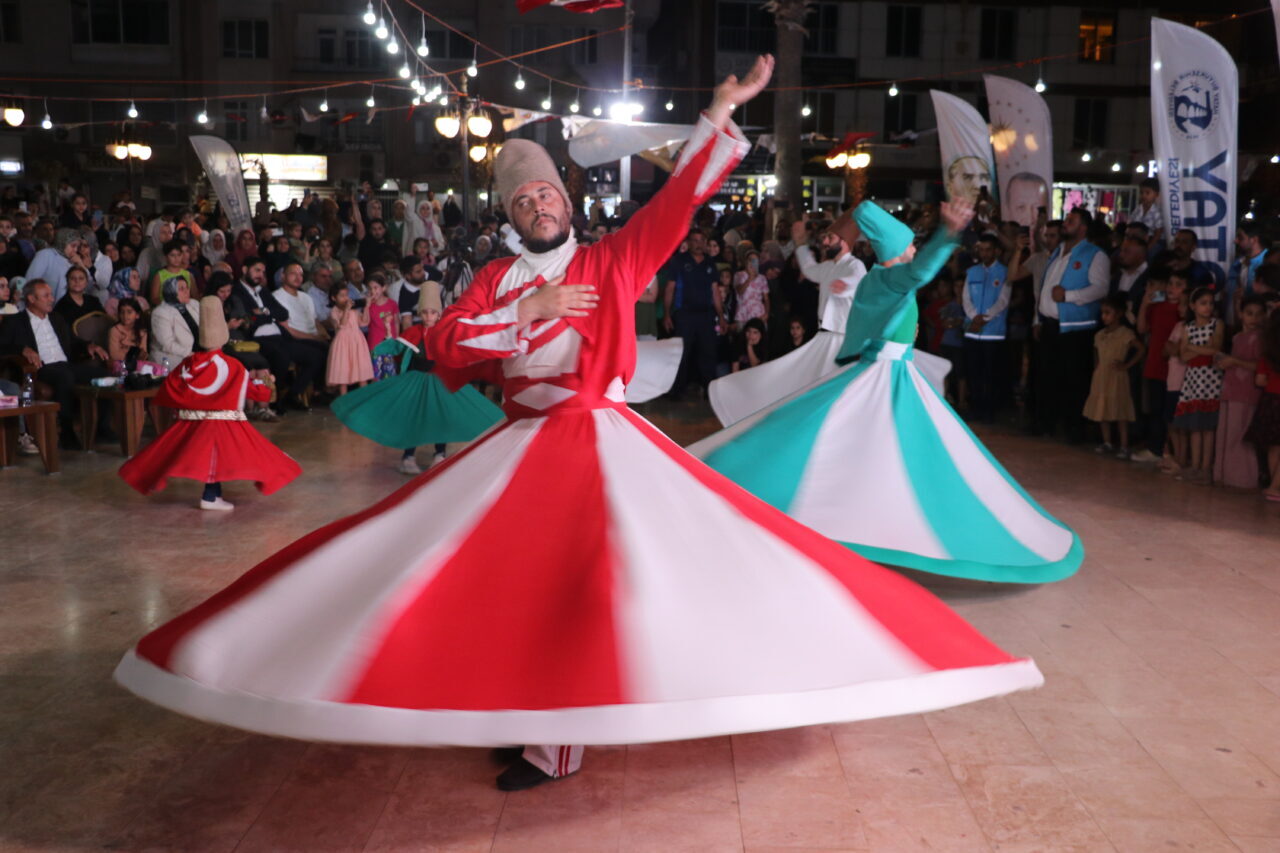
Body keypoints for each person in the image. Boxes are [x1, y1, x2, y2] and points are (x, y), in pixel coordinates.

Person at [113, 57, 1044, 797]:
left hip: (598, 437)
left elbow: (677, 206)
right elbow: (444, 346)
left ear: (566, 198)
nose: (538, 205)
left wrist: (717, 115)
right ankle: (513, 707)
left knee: (619, 580)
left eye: (547, 194)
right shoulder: (495, 279)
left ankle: (569, 735)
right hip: (520, 442)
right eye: (522, 202)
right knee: (467, 573)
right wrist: (527, 311)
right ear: (511, 215)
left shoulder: (614, 255)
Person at [691, 196, 1082, 584]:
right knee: (889, 451)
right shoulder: (892, 277)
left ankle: (861, 519)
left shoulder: (877, 279)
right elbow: (920, 273)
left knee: (874, 450)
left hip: (886, 374)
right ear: (896, 252)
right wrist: (948, 234)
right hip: (885, 378)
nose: (914, 248)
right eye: (910, 244)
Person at [118, 296, 300, 509]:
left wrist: (188, 409)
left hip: (193, 425)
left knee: (191, 457)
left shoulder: (188, 364)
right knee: (247, 457)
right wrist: (267, 385)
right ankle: (211, 496)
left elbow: (169, 389)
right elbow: (256, 392)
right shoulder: (233, 366)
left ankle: (212, 495)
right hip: (224, 425)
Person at [705, 212, 866, 427]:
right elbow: (809, 270)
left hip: (841, 339)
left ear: (844, 242)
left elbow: (857, 281)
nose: (825, 242)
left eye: (830, 238)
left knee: (831, 389)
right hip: (825, 337)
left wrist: (844, 286)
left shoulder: (854, 266)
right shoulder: (829, 266)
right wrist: (800, 244)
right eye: (825, 238)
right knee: (804, 382)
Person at [331, 282, 503, 475]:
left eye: (432, 312)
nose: (428, 317)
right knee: (414, 418)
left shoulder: (446, 333)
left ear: (439, 314)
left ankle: (440, 454)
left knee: (441, 417)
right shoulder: (414, 333)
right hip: (416, 381)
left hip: (441, 382)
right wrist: (383, 343)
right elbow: (396, 346)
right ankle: (408, 457)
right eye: (424, 312)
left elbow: (459, 350)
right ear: (420, 314)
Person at [0, 278, 111, 447]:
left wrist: (90, 346)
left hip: (65, 364)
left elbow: (73, 342)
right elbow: (2, 346)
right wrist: (22, 348)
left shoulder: (56, 318)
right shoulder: (15, 321)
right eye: (46, 296)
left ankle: (102, 429)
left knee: (103, 375)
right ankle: (66, 432)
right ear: (31, 299)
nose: (52, 299)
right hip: (41, 368)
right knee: (64, 376)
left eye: (51, 295)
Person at [1032, 207, 1110, 442]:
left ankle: (1073, 428)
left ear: (1083, 227)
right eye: (1067, 219)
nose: (1066, 223)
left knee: (1073, 379)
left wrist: (1068, 295)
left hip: (1076, 327)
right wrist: (1038, 318)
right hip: (1049, 323)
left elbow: (1100, 289)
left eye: (1071, 220)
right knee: (1046, 377)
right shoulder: (1056, 253)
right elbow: (1045, 287)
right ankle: (1045, 422)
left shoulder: (1095, 254)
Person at [1172, 286, 1224, 484]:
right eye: (1203, 303)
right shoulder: (1188, 328)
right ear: (1193, 306)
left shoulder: (1216, 324)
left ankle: (1205, 468)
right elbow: (1183, 355)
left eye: (1211, 303)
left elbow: (1215, 349)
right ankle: (1195, 466)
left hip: (1210, 378)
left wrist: (1193, 347)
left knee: (1207, 427)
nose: (1208, 307)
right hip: (1193, 379)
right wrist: (1203, 348)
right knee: (1195, 426)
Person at [1083, 295, 1145, 458]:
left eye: (1108, 313)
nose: (1104, 316)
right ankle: (1107, 442)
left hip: (1117, 377)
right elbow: (1096, 355)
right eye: (1102, 313)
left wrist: (1126, 365)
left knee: (1120, 411)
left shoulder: (1125, 333)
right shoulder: (1099, 335)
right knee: (1102, 409)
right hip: (1101, 377)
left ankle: (1124, 445)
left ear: (1118, 314)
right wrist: (1097, 369)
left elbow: (1140, 349)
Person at [1215, 296, 1264, 488]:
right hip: (1231, 390)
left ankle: (1243, 479)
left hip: (1247, 393)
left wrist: (1234, 361)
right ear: (1241, 314)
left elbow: (1260, 365)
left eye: (1259, 314)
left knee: (1240, 436)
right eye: (1250, 314)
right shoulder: (1236, 337)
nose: (1254, 319)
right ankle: (1226, 475)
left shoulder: (1260, 338)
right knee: (1228, 434)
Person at [962, 234, 1010, 422]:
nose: (984, 253)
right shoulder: (972, 272)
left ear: (996, 251)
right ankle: (976, 408)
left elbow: (1003, 300)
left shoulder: (1005, 272)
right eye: (981, 249)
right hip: (973, 331)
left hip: (993, 332)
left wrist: (986, 317)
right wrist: (974, 316)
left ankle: (989, 410)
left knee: (990, 374)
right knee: (974, 372)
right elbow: (966, 298)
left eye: (988, 249)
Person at [1246, 307, 1280, 500]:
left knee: (1273, 446)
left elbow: (1260, 380)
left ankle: (1273, 485)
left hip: (1270, 400)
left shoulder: (1268, 352)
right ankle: (1276, 486)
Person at [326, 285, 374, 395]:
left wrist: (366, 307)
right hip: (343, 344)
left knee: (361, 373)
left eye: (346, 295)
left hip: (357, 342)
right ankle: (344, 399)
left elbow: (364, 322)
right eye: (342, 296)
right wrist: (346, 309)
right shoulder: (334, 311)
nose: (346, 298)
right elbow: (341, 325)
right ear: (334, 298)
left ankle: (365, 398)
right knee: (344, 374)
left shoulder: (354, 311)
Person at [24, 229, 86, 303]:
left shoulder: (74, 261)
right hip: (43, 305)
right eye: (73, 246)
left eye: (77, 247)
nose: (75, 250)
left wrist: (81, 265)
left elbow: (87, 285)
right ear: (63, 243)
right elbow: (30, 281)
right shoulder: (45, 255)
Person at [1227, 220, 1269, 325]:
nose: (1236, 241)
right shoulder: (1238, 262)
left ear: (1254, 239)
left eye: (1240, 238)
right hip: (1239, 322)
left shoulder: (1270, 260)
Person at [364, 274, 398, 379]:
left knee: (390, 372)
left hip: (389, 343)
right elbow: (365, 322)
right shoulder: (369, 306)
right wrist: (367, 306)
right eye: (370, 288)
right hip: (375, 345)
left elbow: (396, 322)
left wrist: (396, 339)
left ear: (384, 288)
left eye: (376, 287)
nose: (373, 291)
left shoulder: (392, 304)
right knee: (376, 374)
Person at [107, 298, 150, 367]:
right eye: (122, 312)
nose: (125, 316)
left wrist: (138, 356)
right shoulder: (114, 330)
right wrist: (133, 355)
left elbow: (142, 353)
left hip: (137, 364)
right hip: (119, 364)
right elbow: (114, 354)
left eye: (129, 312)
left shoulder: (142, 332)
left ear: (137, 315)